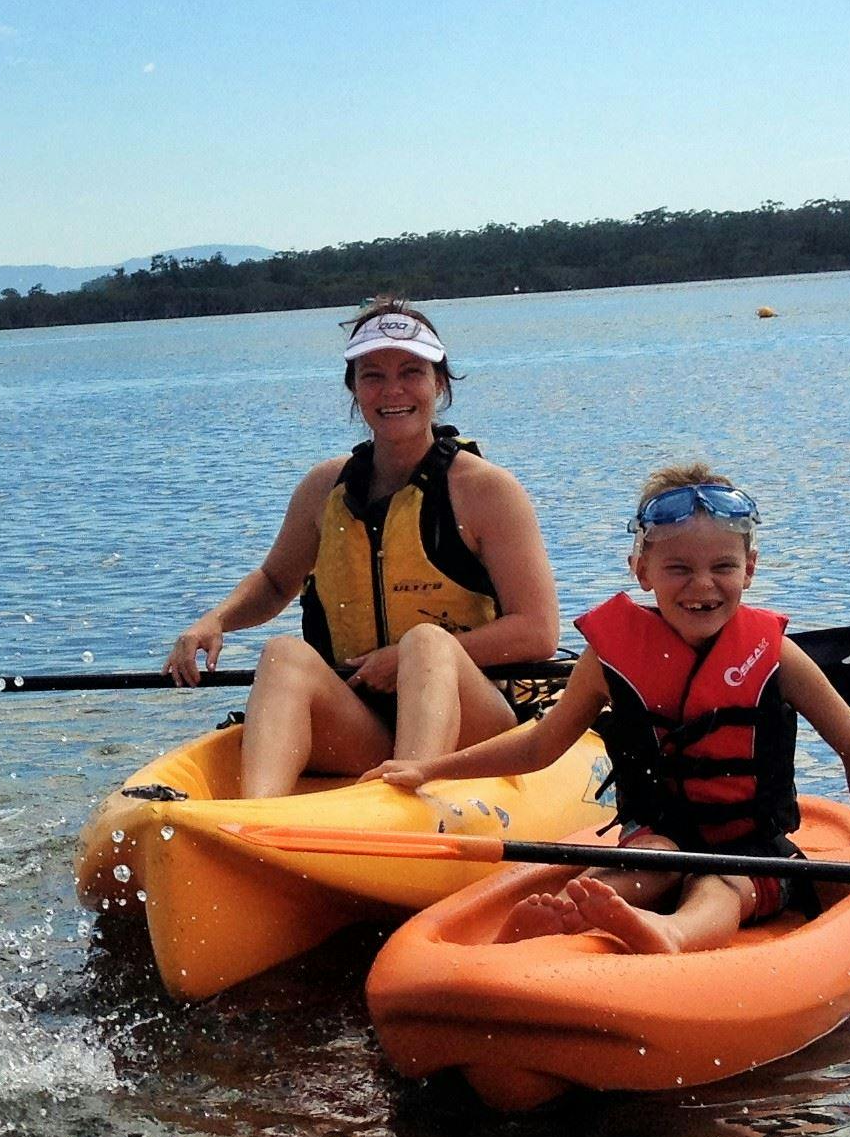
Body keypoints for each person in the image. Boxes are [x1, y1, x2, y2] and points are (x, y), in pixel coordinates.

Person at [368, 465, 850, 953]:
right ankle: (571, 913)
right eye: (678, 568)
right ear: (642, 571)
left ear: (749, 568)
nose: (702, 585)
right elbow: (539, 746)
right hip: (656, 835)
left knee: (720, 885)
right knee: (649, 860)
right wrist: (430, 769)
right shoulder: (609, 658)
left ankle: (672, 933)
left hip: (751, 851)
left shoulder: (776, 654)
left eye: (723, 567)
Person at [164, 300, 559, 798]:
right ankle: (255, 819)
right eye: (373, 376)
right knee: (284, 654)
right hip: (364, 719)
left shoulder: (486, 490)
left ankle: (407, 797)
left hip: (473, 724)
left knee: (426, 642)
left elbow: (538, 631)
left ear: (439, 383)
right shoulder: (323, 488)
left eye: (411, 372)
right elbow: (275, 582)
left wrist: (402, 659)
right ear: (353, 387)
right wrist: (215, 621)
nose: (392, 391)